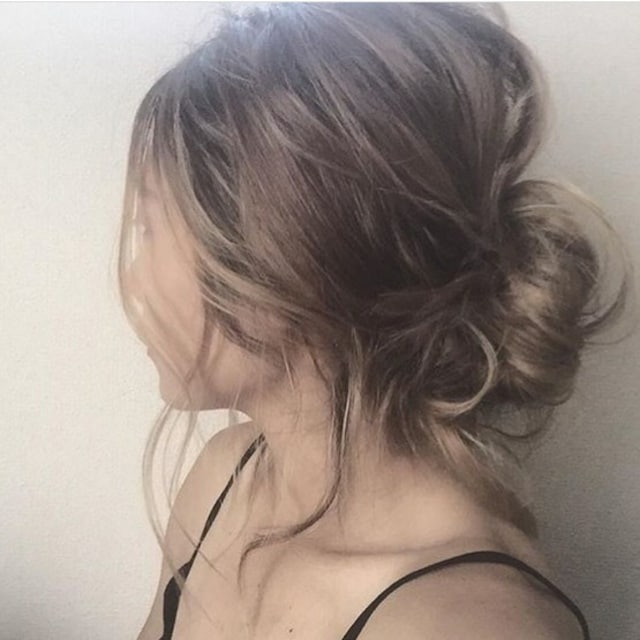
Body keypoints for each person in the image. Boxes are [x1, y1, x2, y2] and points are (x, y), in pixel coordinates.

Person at [117, 3, 631, 639]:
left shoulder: (463, 626)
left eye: (149, 225)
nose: (132, 275)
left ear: (287, 257)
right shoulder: (223, 482)